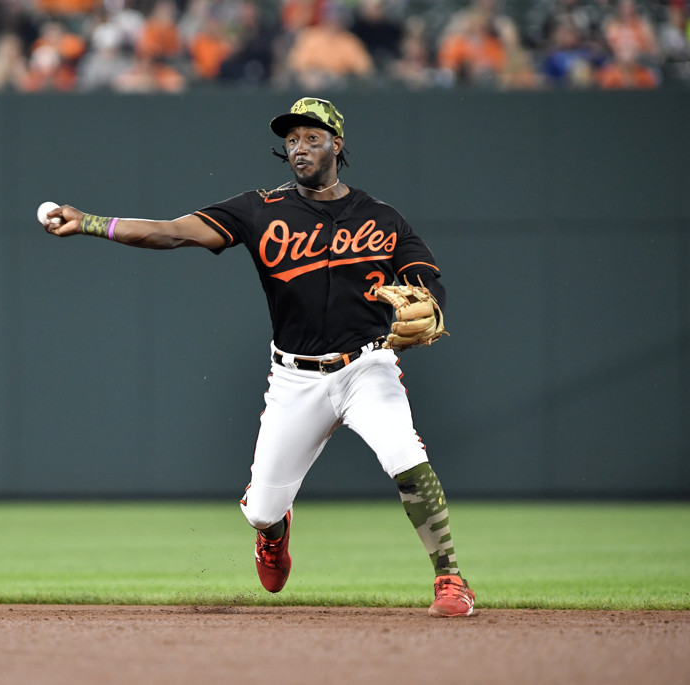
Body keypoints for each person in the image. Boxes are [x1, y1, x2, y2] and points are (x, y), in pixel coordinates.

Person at [41, 97, 475, 618]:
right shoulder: (259, 209)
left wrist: (432, 306)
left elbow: (427, 281)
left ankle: (450, 579)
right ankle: (273, 531)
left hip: (367, 365)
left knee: (405, 455)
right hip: (295, 378)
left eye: (311, 138)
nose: (299, 148)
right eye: (291, 140)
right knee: (262, 509)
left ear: (337, 144)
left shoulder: (382, 218)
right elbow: (172, 231)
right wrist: (89, 221)